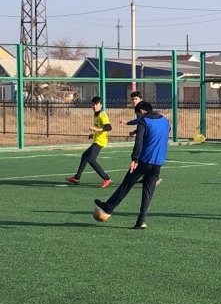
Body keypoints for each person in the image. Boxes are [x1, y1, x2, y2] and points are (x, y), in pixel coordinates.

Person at [93, 101, 171, 229]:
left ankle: (108, 207)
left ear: (142, 111)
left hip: (144, 160)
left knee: (126, 185)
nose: (138, 117)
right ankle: (141, 221)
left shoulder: (144, 121)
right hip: (158, 162)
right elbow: (166, 133)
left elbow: (139, 142)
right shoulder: (165, 120)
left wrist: (135, 159)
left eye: (138, 114)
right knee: (148, 192)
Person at [65, 96, 112, 188]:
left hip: (100, 141)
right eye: (93, 104)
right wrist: (93, 134)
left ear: (101, 105)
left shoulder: (102, 114)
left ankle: (107, 178)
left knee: (91, 159)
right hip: (97, 139)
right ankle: (77, 178)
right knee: (85, 156)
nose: (94, 106)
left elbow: (108, 127)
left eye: (96, 104)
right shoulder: (96, 115)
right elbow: (99, 127)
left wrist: (96, 129)